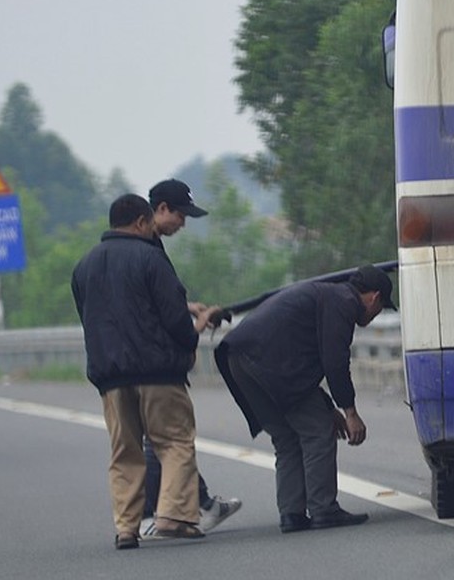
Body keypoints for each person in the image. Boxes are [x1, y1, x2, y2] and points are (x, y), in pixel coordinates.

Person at [71, 193, 220, 549]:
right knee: (174, 442)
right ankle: (174, 516)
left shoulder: (84, 266)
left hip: (110, 377)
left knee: (124, 452)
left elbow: (92, 316)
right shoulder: (151, 259)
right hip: (157, 373)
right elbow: (174, 322)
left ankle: (126, 528)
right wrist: (197, 325)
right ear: (141, 222)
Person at [215, 263, 395, 533]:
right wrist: (350, 412)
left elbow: (299, 366)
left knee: (287, 438)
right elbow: (334, 361)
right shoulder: (343, 303)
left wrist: (327, 405)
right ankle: (324, 509)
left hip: (238, 358)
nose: (376, 313)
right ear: (374, 297)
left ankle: (292, 513)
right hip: (265, 363)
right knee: (319, 431)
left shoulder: (327, 296)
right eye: (380, 307)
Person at [136, 178, 241, 537]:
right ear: (161, 209)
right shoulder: (145, 248)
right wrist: (195, 323)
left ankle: (200, 504)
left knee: (165, 438)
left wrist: (184, 307)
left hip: (140, 359)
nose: (182, 223)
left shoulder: (148, 245)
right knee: (167, 439)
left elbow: (152, 301)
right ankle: (156, 514)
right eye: (180, 215)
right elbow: (153, 309)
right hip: (155, 361)